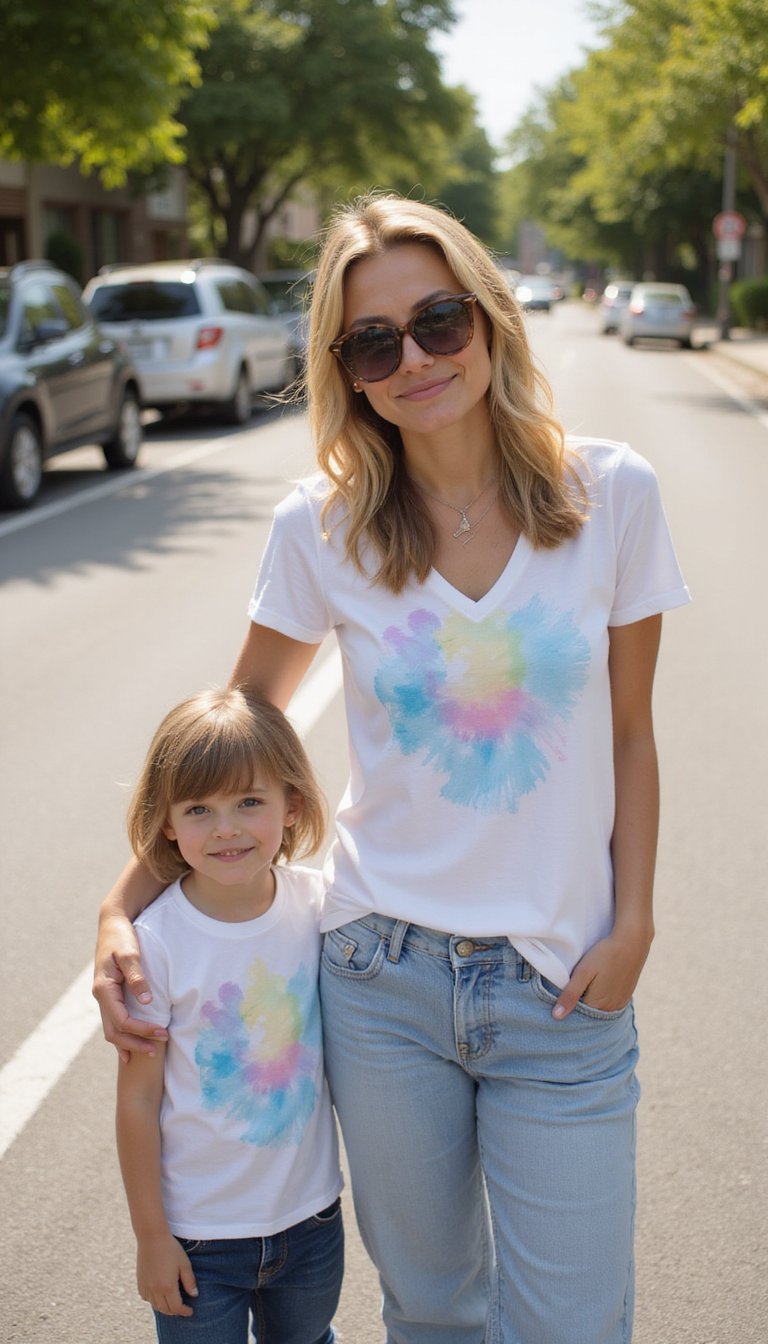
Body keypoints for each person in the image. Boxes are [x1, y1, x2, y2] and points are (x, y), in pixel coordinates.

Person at [95, 193, 690, 1343]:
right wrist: (123, 906)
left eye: (438, 321)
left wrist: (637, 924)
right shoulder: (321, 526)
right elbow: (232, 734)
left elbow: (630, 732)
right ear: (349, 372)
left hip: (560, 983)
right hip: (380, 982)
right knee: (429, 1313)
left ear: (490, 320)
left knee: (574, 1323)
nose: (414, 357)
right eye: (375, 342)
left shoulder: (612, 493)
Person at [114, 687, 344, 1344]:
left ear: (291, 804)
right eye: (199, 810)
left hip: (310, 1221)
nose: (227, 828)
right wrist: (151, 1237)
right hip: (198, 1240)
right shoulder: (156, 944)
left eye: (250, 801)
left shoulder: (318, 905)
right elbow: (138, 1102)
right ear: (166, 823)